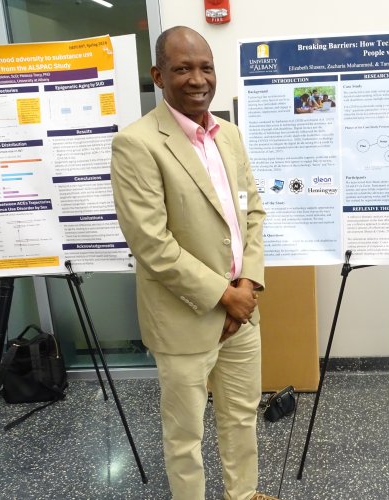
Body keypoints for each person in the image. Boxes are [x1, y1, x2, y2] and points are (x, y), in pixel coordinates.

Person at [110, 26, 275, 500]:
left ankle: (242, 495)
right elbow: (152, 242)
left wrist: (246, 285)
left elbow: (254, 214)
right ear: (159, 75)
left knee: (241, 414)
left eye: (205, 67)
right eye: (182, 68)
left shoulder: (231, 136)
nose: (197, 78)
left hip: (243, 310)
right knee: (186, 436)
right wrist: (224, 297)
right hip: (185, 318)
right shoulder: (137, 144)